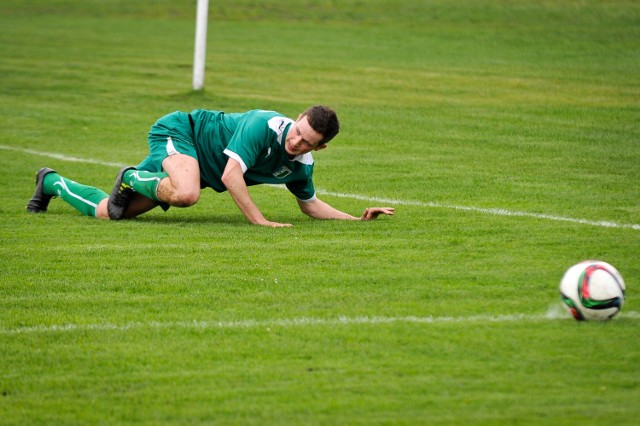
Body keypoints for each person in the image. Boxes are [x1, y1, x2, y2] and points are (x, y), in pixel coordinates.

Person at [27, 105, 395, 227]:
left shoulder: (301, 168)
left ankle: (51, 183)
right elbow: (231, 174)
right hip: (180, 132)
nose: (296, 142)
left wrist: (356, 221)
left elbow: (310, 204)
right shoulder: (262, 124)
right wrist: (259, 220)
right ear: (297, 117)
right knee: (187, 194)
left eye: (307, 142)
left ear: (321, 147)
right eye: (298, 131)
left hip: (195, 167)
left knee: (111, 214)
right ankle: (133, 177)